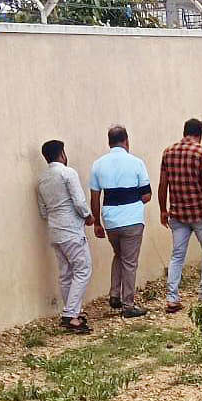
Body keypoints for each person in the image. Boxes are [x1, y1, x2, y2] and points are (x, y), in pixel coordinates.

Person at [157, 118, 202, 314]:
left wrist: (163, 209)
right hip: (199, 212)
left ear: (184, 131)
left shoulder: (168, 152)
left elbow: (163, 184)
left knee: (177, 255)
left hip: (177, 213)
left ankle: (172, 297)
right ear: (200, 134)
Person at [89, 125, 151, 318]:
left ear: (109, 142)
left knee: (119, 254)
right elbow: (147, 194)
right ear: (126, 141)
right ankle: (128, 304)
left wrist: (97, 223)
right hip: (132, 219)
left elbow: (95, 197)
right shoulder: (136, 163)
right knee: (130, 262)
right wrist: (133, 202)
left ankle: (115, 294)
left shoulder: (98, 165)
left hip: (110, 221)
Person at [36, 139, 94, 333]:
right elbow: (78, 200)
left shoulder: (42, 179)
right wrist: (88, 215)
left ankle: (72, 313)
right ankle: (70, 313)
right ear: (62, 154)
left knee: (65, 273)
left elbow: (43, 211)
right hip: (71, 229)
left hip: (54, 230)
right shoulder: (68, 173)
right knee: (83, 268)